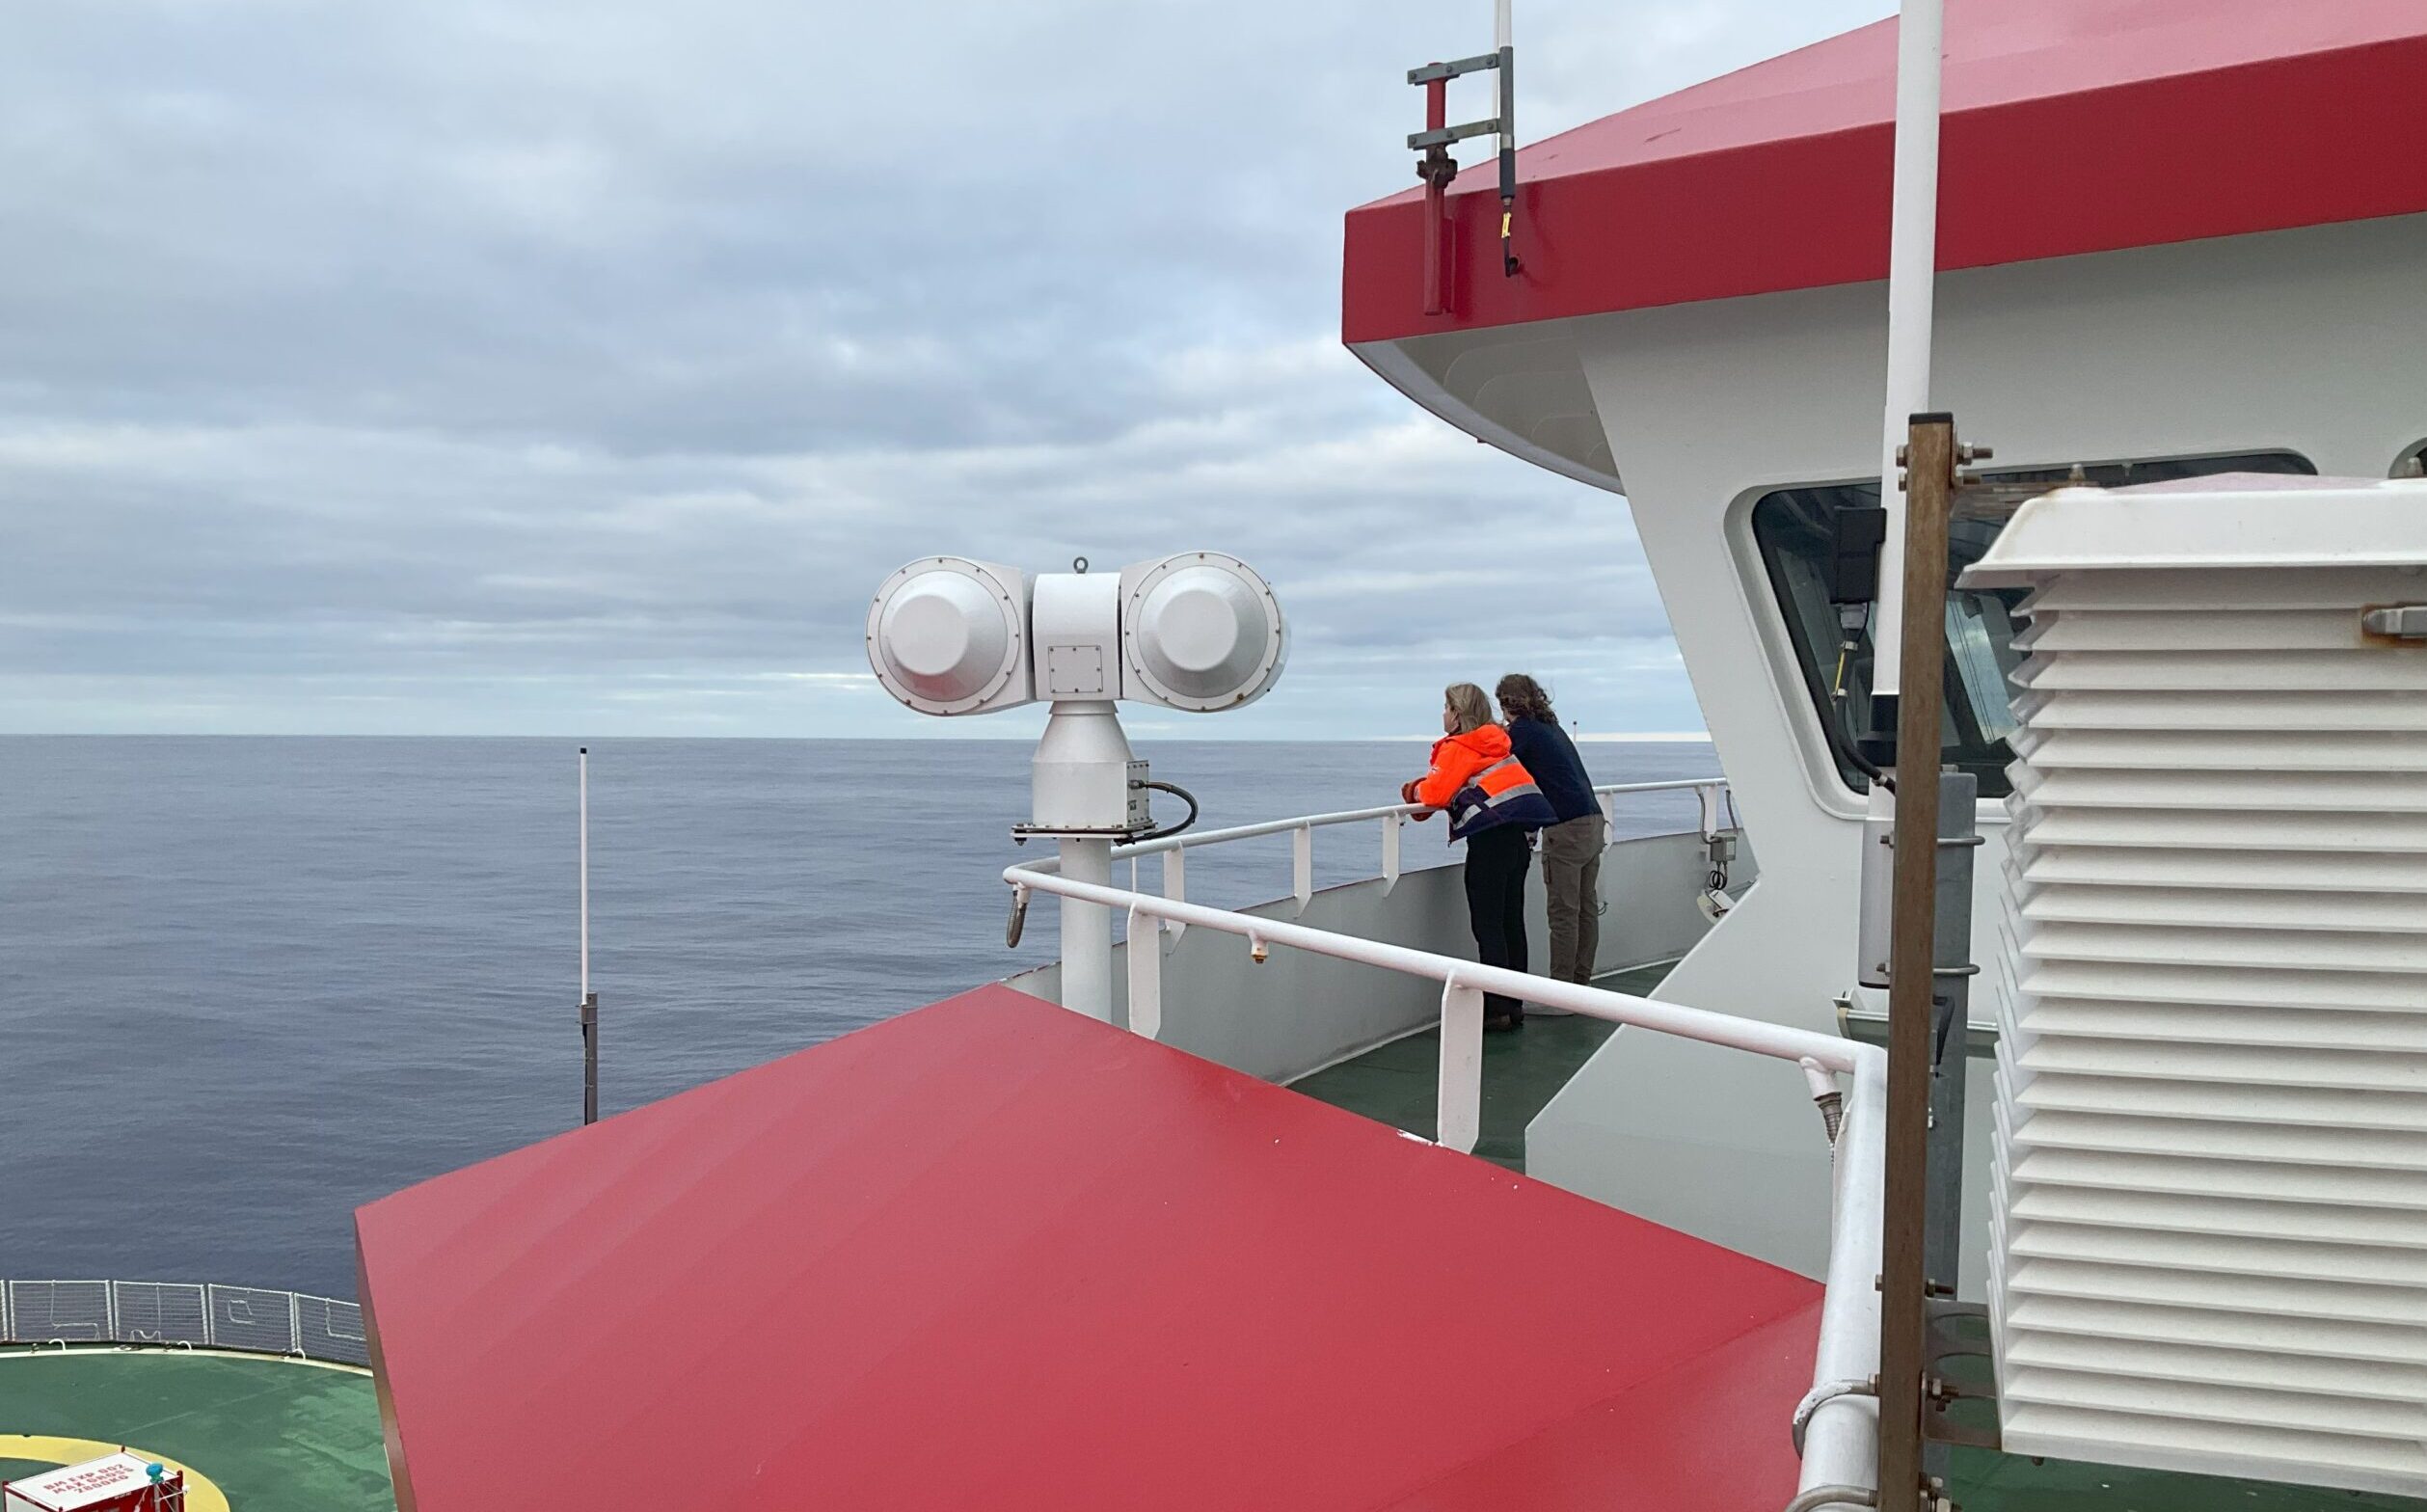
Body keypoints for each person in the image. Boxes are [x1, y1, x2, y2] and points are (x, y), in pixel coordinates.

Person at [1401, 683, 1557, 1029]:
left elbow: (1436, 793)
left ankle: (1495, 1009)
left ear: (1456, 715)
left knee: (1488, 926)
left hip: (1489, 845)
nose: (1442, 714)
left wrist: (1412, 790)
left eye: (1445, 707)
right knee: (1511, 923)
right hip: (1517, 841)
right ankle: (1513, 1004)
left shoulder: (1459, 746)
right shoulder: (1497, 743)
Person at [1497, 673, 1605, 986]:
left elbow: (1499, 765)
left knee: (1563, 912)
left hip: (1567, 829)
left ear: (1506, 702)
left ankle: (1561, 992)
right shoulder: (1550, 728)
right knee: (1585, 908)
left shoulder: (1523, 731)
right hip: (1592, 822)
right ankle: (1580, 982)